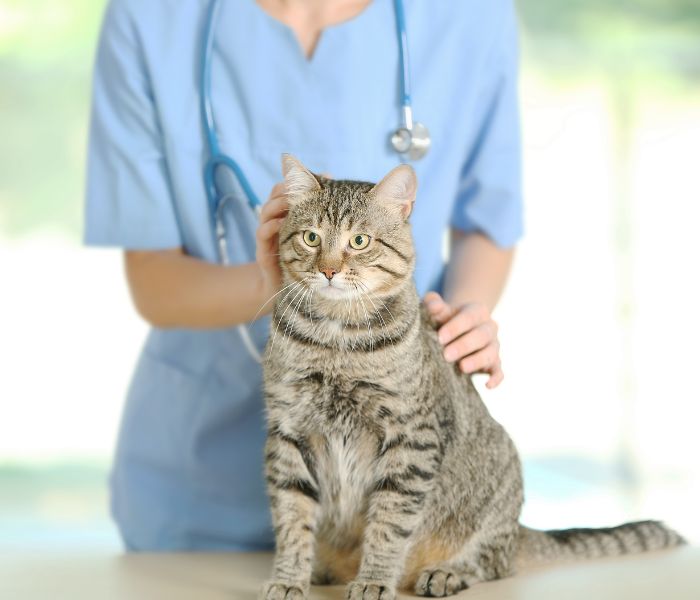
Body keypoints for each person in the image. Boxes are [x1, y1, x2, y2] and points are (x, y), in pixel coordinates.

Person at [85, 0, 523, 551]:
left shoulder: (471, 15)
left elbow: (488, 223)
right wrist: (275, 285)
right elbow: (152, 278)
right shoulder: (150, 17)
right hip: (201, 496)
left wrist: (456, 322)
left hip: (397, 495)